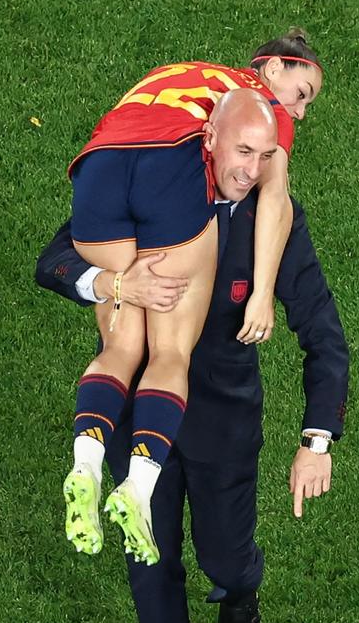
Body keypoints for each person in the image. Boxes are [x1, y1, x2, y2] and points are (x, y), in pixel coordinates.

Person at [36, 172, 348, 623]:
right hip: (139, 414)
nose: (252, 169)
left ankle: (239, 596)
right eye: (242, 152)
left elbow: (322, 330)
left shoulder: (272, 220)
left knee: (225, 556)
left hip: (223, 423)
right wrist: (114, 282)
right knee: (149, 564)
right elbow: (54, 261)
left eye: (266, 154)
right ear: (211, 136)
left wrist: (317, 442)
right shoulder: (145, 191)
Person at [63, 31, 325, 565]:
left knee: (122, 339)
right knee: (168, 352)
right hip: (168, 174)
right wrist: (262, 293)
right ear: (272, 68)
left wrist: (117, 283)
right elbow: (275, 201)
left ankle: (85, 463)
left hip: (97, 166)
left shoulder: (188, 73)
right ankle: (136, 489)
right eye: (302, 93)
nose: (298, 112)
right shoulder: (258, 110)